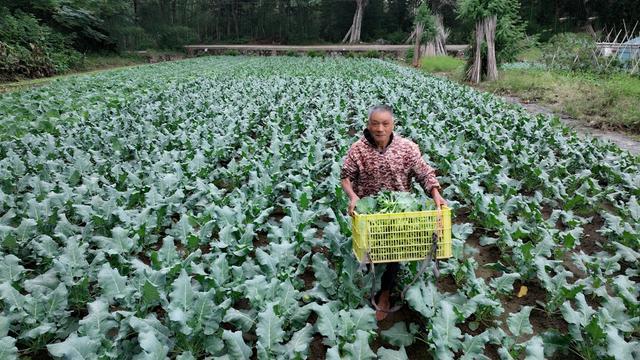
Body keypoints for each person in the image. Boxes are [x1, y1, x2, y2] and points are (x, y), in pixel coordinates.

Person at [340, 104, 447, 321]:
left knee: (393, 253)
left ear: (393, 125)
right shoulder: (357, 149)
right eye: (375, 123)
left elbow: (424, 173)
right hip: (369, 214)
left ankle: (385, 294)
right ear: (368, 125)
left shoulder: (407, 148)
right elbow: (345, 177)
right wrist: (353, 197)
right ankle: (370, 285)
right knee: (369, 251)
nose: (380, 128)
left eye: (385, 123)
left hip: (399, 212)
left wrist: (436, 194)